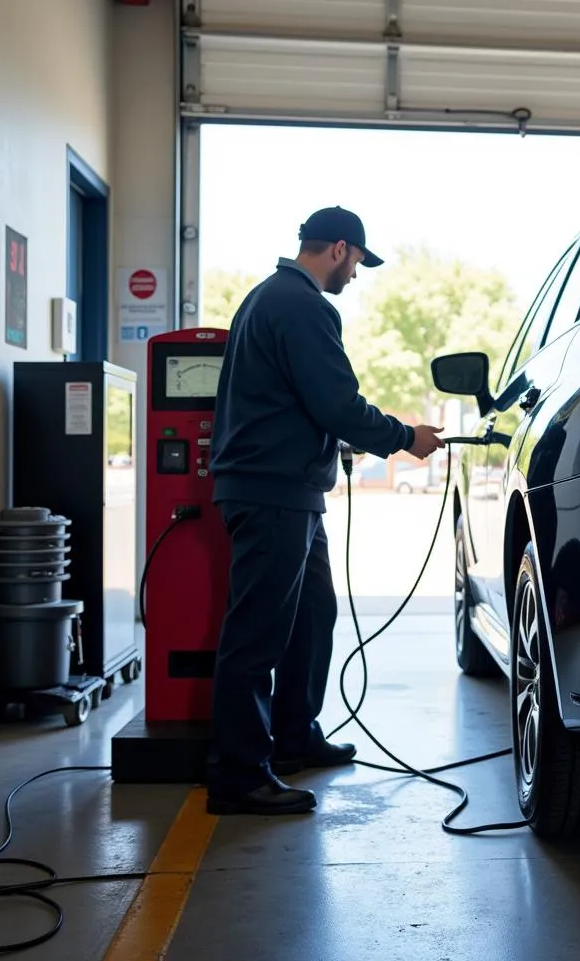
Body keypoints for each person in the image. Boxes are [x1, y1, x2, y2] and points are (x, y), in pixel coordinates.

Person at [205, 206, 445, 816]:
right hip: (271, 491)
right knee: (257, 633)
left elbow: (296, 402)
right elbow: (337, 402)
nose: (357, 276)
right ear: (339, 249)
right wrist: (404, 436)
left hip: (284, 488)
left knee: (313, 614)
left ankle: (292, 736)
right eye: (358, 262)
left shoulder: (268, 298)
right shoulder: (305, 305)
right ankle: (237, 777)